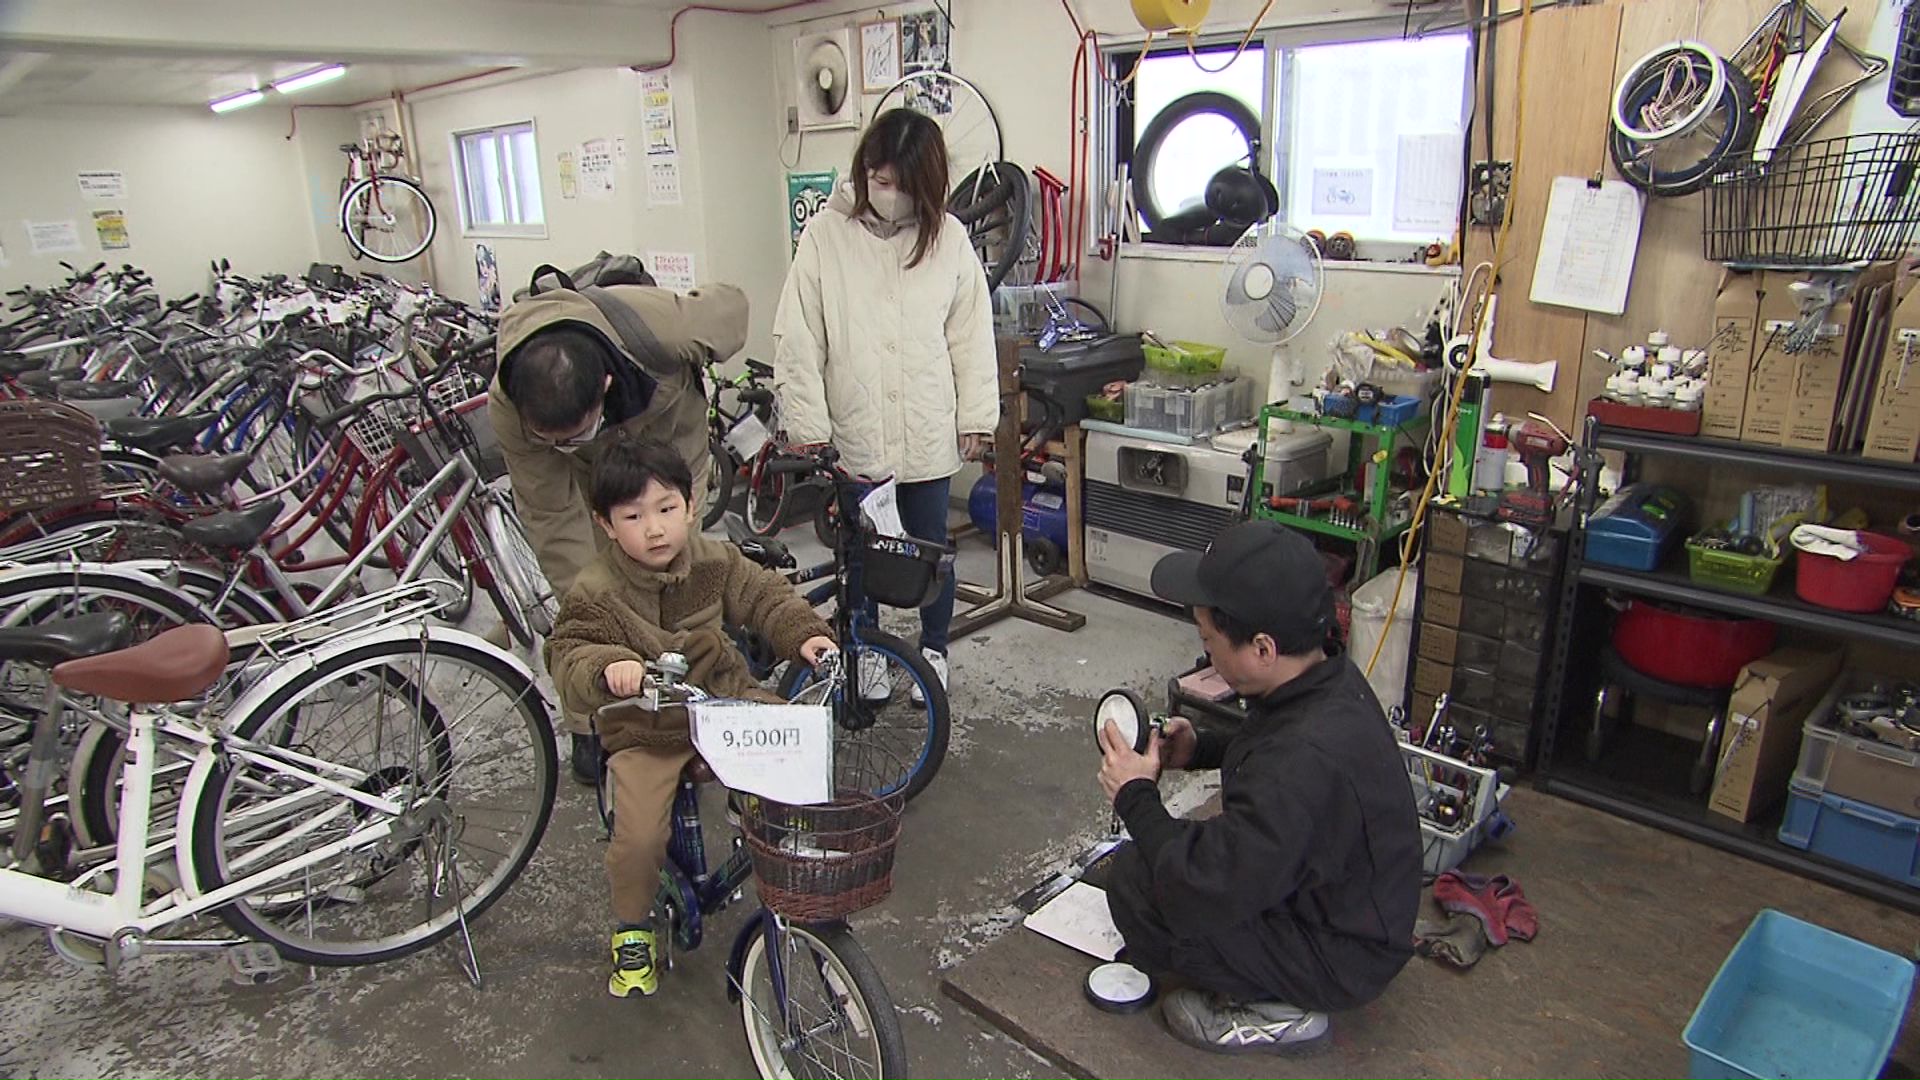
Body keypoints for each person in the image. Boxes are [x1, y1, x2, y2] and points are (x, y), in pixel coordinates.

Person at [1095, 520, 1422, 1055]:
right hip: (1342, 903)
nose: (1204, 651)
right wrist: (1202, 747)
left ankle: (1283, 1010)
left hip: (1341, 956)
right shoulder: (1325, 677)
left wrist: (1135, 794)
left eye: (1207, 639)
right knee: (1162, 857)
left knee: (1137, 887)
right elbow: (1275, 743)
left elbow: (1201, 881)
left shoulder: (1304, 762)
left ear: (1264, 648)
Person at [544, 432, 836, 999]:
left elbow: (765, 596)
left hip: (722, 701)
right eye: (633, 515)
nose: (654, 528)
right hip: (645, 727)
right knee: (638, 839)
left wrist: (806, 637)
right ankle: (631, 926)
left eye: (667, 509)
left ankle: (790, 842)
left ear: (691, 506)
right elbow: (568, 653)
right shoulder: (596, 590)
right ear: (605, 524)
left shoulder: (713, 558)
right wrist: (610, 668)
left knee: (796, 757)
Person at [773, 108, 997, 704]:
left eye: (900, 183)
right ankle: (865, 651)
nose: (886, 192)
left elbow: (971, 331)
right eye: (878, 178)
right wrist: (808, 427)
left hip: (926, 424)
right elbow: (799, 335)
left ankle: (933, 651)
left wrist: (976, 415)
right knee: (861, 550)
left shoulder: (947, 237)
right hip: (856, 430)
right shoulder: (826, 235)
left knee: (931, 552)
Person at [491, 277, 749, 783]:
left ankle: (696, 699)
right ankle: (593, 723)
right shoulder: (509, 408)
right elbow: (550, 517)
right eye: (552, 438)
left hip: (670, 440)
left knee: (674, 564)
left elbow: (731, 306)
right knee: (593, 585)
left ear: (605, 386)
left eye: (576, 431)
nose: (564, 442)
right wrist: (590, 609)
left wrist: (704, 346)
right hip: (586, 473)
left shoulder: (663, 327)